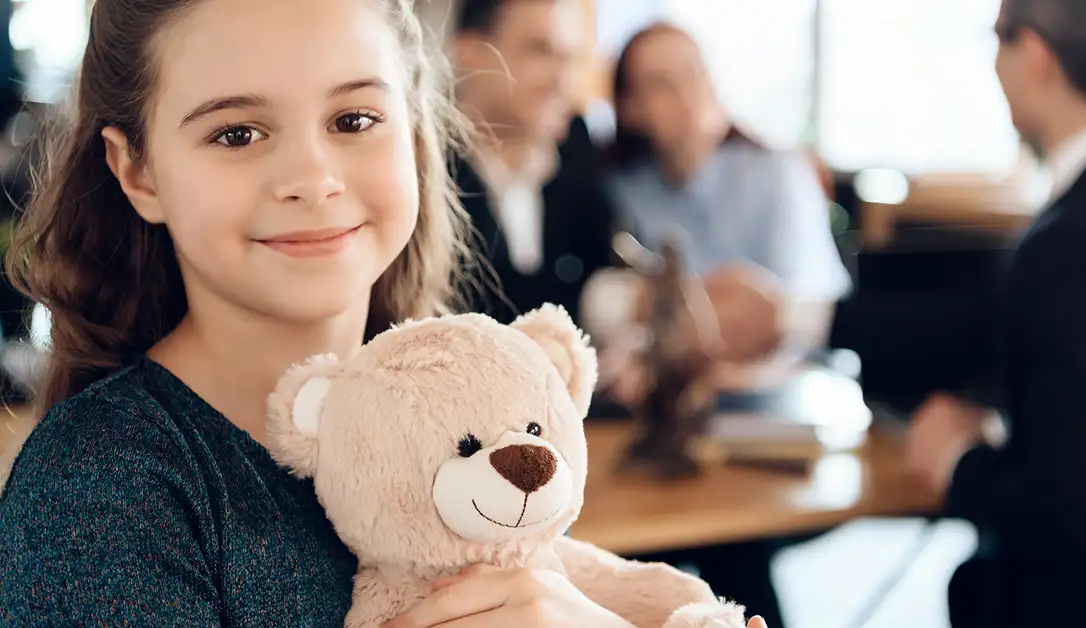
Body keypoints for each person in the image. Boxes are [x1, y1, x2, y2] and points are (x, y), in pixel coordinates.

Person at [0, 0, 770, 626]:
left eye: (354, 120)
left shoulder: (474, 412)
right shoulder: (101, 487)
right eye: (236, 133)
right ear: (138, 171)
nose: (312, 177)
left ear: (415, 132)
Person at [905, 0, 1086, 625]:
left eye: (995, 42)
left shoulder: (1066, 241)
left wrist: (958, 459)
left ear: (1032, 53)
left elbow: (1069, 507)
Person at [605, 23, 852, 363]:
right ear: (630, 108)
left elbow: (811, 305)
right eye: (661, 84)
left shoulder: (778, 172)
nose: (685, 94)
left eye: (693, 73)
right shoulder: (621, 188)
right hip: (678, 372)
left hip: (787, 367)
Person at [450, 0, 616, 327]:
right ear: (470, 53)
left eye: (571, 59)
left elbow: (604, 267)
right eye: (540, 51)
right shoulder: (419, 169)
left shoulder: (580, 150)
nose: (562, 80)